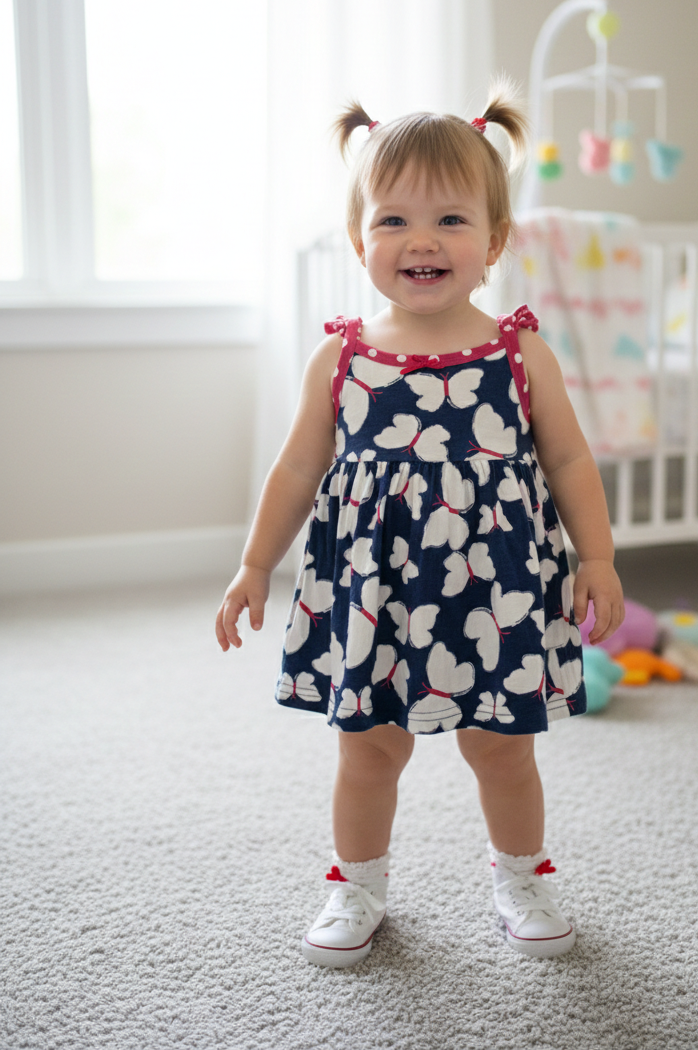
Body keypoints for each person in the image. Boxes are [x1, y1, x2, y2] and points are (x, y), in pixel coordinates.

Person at [216, 80, 624, 968]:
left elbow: (569, 461)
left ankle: (521, 873)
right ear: (360, 239)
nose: (422, 240)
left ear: (495, 243)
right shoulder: (343, 356)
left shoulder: (520, 352)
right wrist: (254, 564)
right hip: (377, 595)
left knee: (503, 750)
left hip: (497, 590)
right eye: (393, 221)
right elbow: (295, 468)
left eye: (450, 219)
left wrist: (596, 556)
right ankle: (355, 883)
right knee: (368, 751)